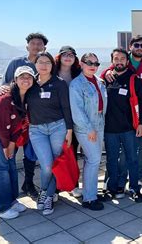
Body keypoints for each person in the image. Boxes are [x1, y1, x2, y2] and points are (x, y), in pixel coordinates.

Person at [102, 35, 142, 188]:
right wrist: (105, 74)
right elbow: (108, 73)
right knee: (127, 148)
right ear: (130, 46)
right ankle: (123, 178)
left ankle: (140, 176)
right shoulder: (122, 59)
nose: (139, 48)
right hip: (126, 112)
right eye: (136, 45)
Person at [0, 66, 36, 219]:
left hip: (9, 137)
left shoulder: (27, 97)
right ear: (15, 80)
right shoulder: (5, 98)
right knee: (0, 171)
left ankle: (11, 201)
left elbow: (19, 124)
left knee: (10, 168)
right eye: (22, 77)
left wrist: (12, 143)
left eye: (29, 77)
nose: (26, 80)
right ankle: (1, 208)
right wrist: (6, 145)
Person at [0, 32, 48, 198]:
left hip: (33, 116)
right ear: (27, 46)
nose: (36, 46)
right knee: (11, 149)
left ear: (44, 47)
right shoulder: (16, 63)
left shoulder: (45, 64)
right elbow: (5, 84)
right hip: (15, 115)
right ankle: (9, 189)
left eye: (39, 44)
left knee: (30, 152)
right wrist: (3, 89)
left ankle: (28, 183)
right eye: (33, 43)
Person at [26, 52, 73, 215]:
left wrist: (69, 130)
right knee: (46, 165)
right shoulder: (30, 83)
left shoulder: (59, 84)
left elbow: (66, 107)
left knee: (55, 163)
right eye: (40, 62)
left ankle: (46, 195)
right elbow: (17, 96)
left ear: (53, 65)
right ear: (35, 64)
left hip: (57, 127)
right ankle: (47, 192)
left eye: (47, 62)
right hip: (36, 130)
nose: (44, 65)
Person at [104, 48, 142, 203]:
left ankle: (134, 188)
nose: (119, 61)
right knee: (111, 160)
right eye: (116, 59)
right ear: (112, 61)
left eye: (122, 59)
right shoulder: (106, 78)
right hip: (109, 129)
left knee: (132, 159)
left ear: (127, 62)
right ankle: (112, 188)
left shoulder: (133, 79)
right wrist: (106, 72)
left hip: (129, 128)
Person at [69, 53, 107, 211]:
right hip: (86, 128)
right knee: (94, 159)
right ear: (81, 64)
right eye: (89, 62)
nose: (93, 65)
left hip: (99, 124)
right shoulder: (76, 84)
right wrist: (89, 129)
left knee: (91, 160)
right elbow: (76, 110)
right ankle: (89, 198)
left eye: (96, 63)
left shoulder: (99, 82)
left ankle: (89, 192)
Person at [55, 45, 82, 198]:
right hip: (55, 120)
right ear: (59, 57)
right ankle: (57, 187)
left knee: (72, 153)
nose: (68, 57)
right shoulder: (51, 72)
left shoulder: (77, 73)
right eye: (65, 54)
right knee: (57, 154)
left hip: (75, 119)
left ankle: (73, 185)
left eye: (71, 55)